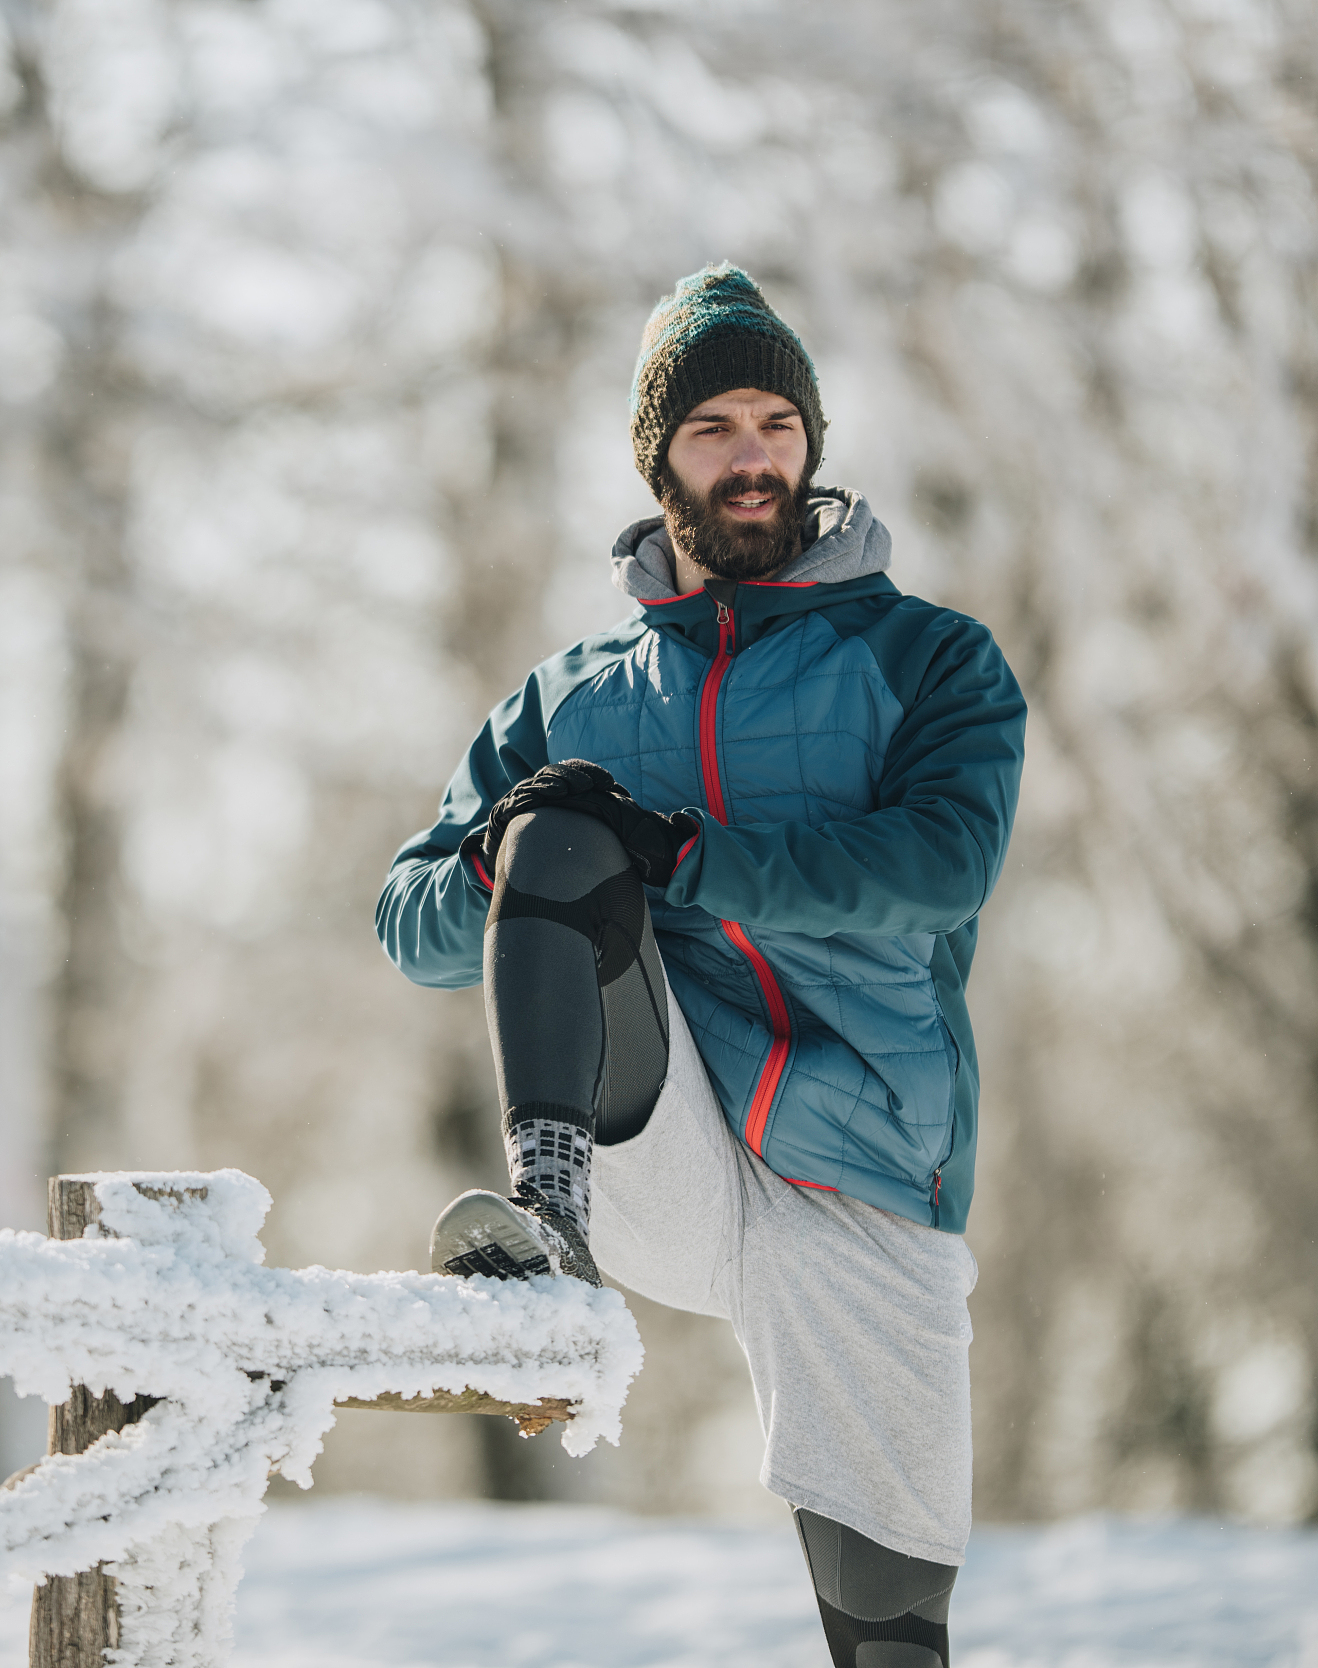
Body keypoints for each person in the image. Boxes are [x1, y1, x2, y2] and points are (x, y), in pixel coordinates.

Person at [375, 264, 1026, 1668]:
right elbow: (407, 917)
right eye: (714, 427)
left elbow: (938, 866)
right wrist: (506, 857)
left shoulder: (931, 661)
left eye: (775, 425)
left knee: (892, 1626)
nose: (751, 456)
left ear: (811, 446)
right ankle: (551, 1234)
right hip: (650, 1139)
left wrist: (693, 855)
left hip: (863, 1157)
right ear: (657, 457)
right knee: (550, 828)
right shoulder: (573, 691)